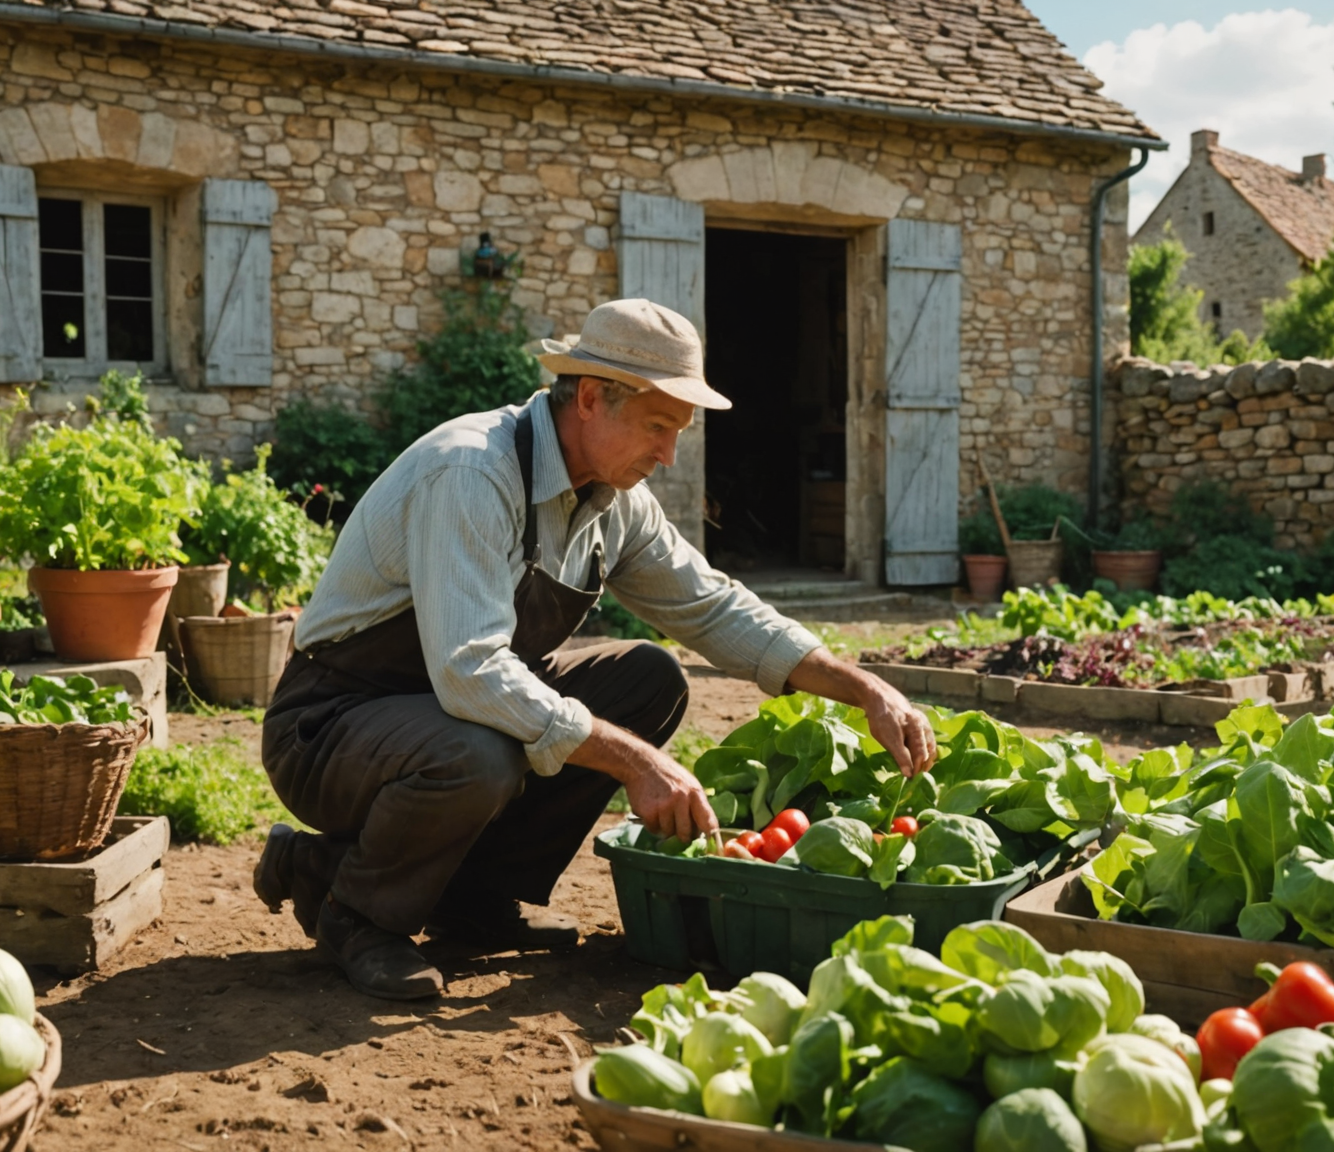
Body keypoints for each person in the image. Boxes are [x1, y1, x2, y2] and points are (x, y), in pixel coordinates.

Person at [255, 298, 938, 1000]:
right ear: (589, 398)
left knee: (649, 679)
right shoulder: (472, 473)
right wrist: (634, 761)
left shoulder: (615, 501)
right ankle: (355, 913)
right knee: (479, 752)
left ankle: (473, 900)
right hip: (330, 725)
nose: (670, 455)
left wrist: (864, 688)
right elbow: (470, 672)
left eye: (680, 432)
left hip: (438, 710)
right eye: (658, 427)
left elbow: (712, 606)